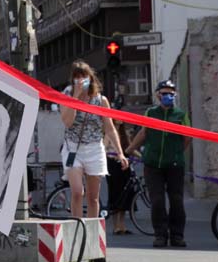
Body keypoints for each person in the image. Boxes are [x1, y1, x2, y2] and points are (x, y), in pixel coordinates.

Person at [59, 61, 127, 220]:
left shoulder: (100, 100)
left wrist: (120, 153)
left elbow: (109, 128)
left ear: (91, 78)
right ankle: (77, 225)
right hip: (73, 148)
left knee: (93, 196)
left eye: (84, 77)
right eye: (77, 77)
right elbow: (67, 122)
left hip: (94, 149)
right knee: (77, 192)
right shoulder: (66, 95)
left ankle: (91, 230)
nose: (81, 81)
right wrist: (75, 98)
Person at [126, 80, 190, 247]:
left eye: (170, 93)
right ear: (158, 95)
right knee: (157, 200)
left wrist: (176, 153)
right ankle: (160, 235)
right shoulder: (151, 113)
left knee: (176, 200)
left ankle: (177, 235)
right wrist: (131, 148)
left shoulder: (181, 115)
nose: (167, 96)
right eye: (164, 93)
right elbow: (144, 132)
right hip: (153, 164)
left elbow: (187, 139)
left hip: (175, 165)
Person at [106, 120, 133, 235]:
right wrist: (114, 156)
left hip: (124, 164)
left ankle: (122, 225)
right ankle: (116, 226)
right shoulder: (109, 134)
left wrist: (142, 157)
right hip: (113, 165)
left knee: (125, 194)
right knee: (115, 193)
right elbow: (104, 148)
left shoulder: (124, 133)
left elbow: (130, 147)